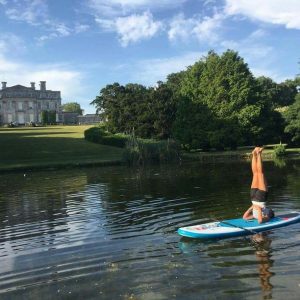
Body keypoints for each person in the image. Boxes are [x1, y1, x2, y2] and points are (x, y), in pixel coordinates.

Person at [243, 147, 274, 223]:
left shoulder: (267, 217)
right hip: (254, 198)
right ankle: (254, 154)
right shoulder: (257, 215)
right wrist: (254, 208)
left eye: (271, 211)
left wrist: (255, 208)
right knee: (256, 174)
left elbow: (258, 221)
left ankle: (258, 153)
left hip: (260, 199)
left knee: (258, 173)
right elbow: (245, 217)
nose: (270, 210)